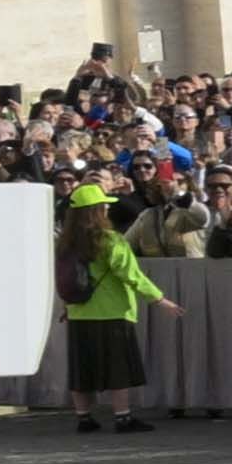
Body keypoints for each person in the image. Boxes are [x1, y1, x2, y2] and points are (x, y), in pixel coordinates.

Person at [55, 181, 161, 435]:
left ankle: (84, 418)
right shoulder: (110, 240)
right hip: (112, 312)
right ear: (97, 211)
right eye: (103, 205)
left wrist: (67, 306)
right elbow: (131, 275)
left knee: (82, 368)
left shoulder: (64, 243)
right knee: (117, 368)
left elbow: (63, 278)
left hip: (79, 312)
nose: (106, 209)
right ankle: (122, 418)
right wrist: (159, 299)